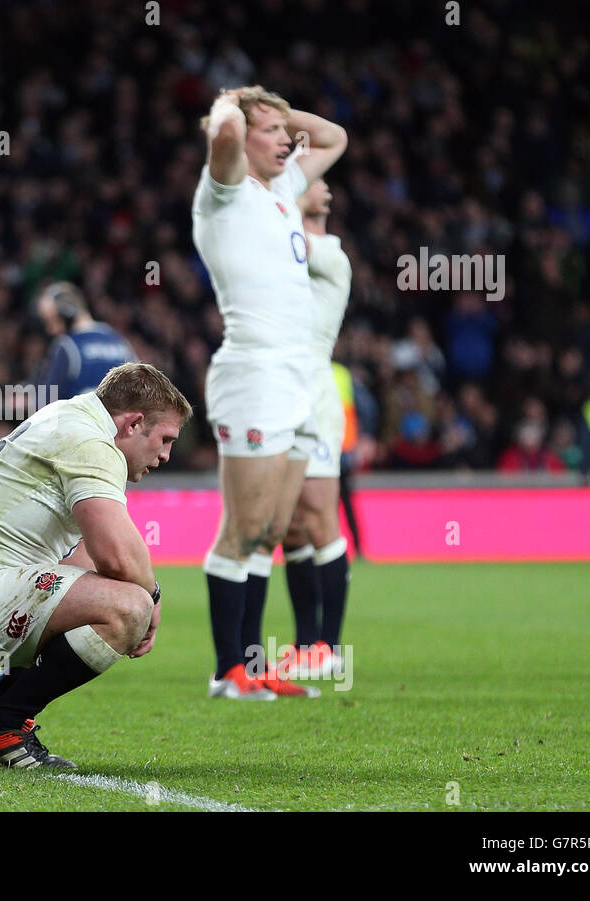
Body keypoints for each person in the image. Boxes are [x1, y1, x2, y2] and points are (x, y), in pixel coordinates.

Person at [0, 362, 188, 769]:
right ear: (133, 424)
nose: (165, 455)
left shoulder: (67, 418)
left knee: (112, 594)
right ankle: (1, 724)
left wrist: (136, 586)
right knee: (129, 607)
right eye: (165, 439)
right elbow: (118, 556)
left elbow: (89, 559)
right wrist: (153, 596)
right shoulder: (91, 442)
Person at [192, 85, 346, 699]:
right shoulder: (222, 192)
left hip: (297, 380)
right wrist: (232, 102)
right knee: (242, 527)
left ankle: (251, 667)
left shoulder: (282, 189)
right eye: (273, 131)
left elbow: (335, 137)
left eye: (288, 130)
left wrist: (275, 114)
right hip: (252, 374)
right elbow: (225, 137)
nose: (289, 139)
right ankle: (227, 668)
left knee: (271, 530)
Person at [279, 179, 351, 679]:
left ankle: (331, 647)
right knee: (290, 527)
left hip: (315, 400)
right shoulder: (288, 242)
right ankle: (306, 645)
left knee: (321, 518)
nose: (319, 185)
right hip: (277, 398)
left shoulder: (330, 254)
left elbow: (279, 250)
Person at [34, 281, 136, 400]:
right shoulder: (118, 340)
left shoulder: (68, 345)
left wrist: (21, 403)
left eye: (52, 321)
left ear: (67, 313)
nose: (50, 330)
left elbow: (45, 401)